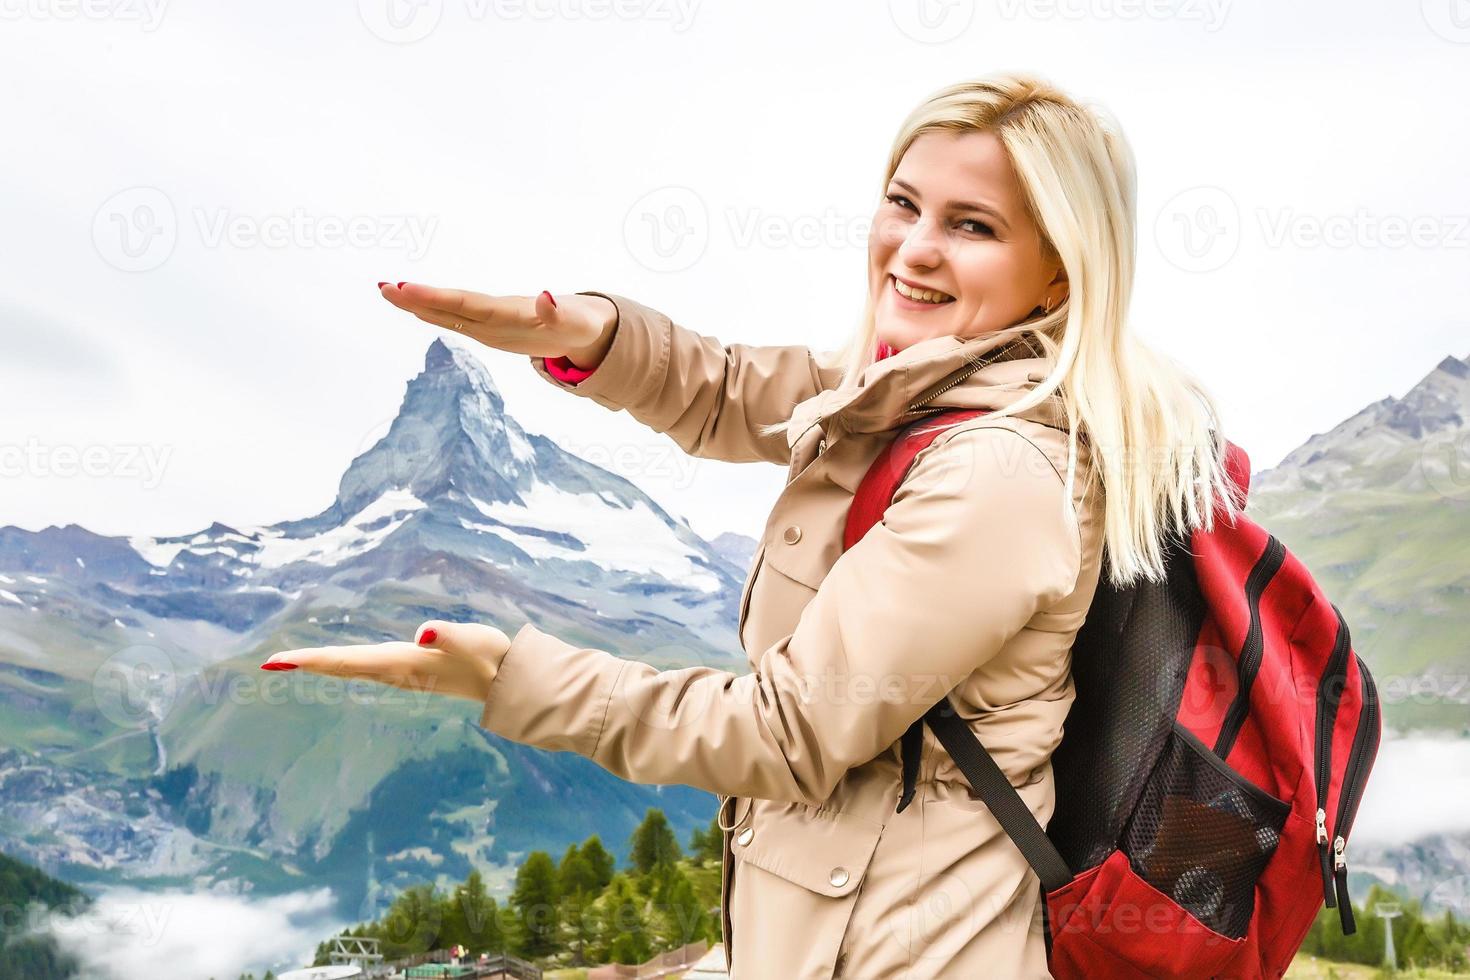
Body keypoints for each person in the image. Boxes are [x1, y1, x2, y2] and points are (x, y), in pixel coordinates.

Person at [262, 70, 1241, 978]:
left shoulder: (998, 470)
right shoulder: (931, 386)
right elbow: (739, 393)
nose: (913, 248)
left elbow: (785, 733)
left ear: (1060, 275)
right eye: (903, 202)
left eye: (972, 225)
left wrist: (511, 678)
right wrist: (589, 335)